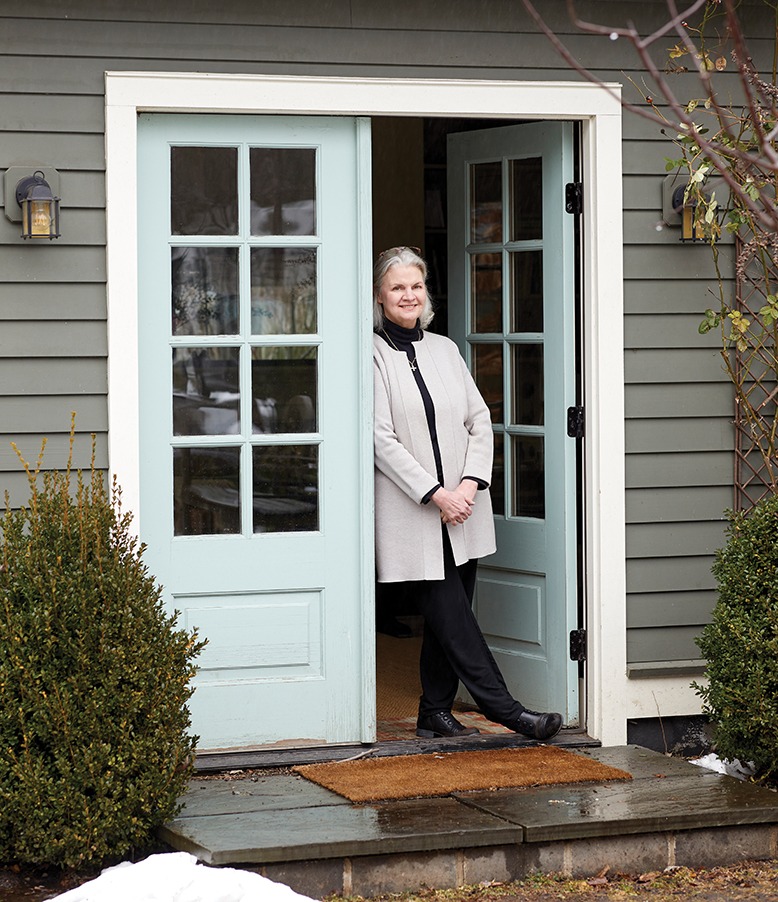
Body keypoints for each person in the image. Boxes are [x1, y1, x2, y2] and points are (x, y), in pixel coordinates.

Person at [372, 246, 563, 742]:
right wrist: (435, 493)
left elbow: (480, 421)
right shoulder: (370, 355)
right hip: (416, 511)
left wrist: (470, 485)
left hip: (464, 508)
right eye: (397, 287)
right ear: (379, 296)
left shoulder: (446, 350)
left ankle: (433, 712)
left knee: (448, 619)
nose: (408, 295)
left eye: (415, 285)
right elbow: (379, 438)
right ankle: (507, 711)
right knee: (451, 615)